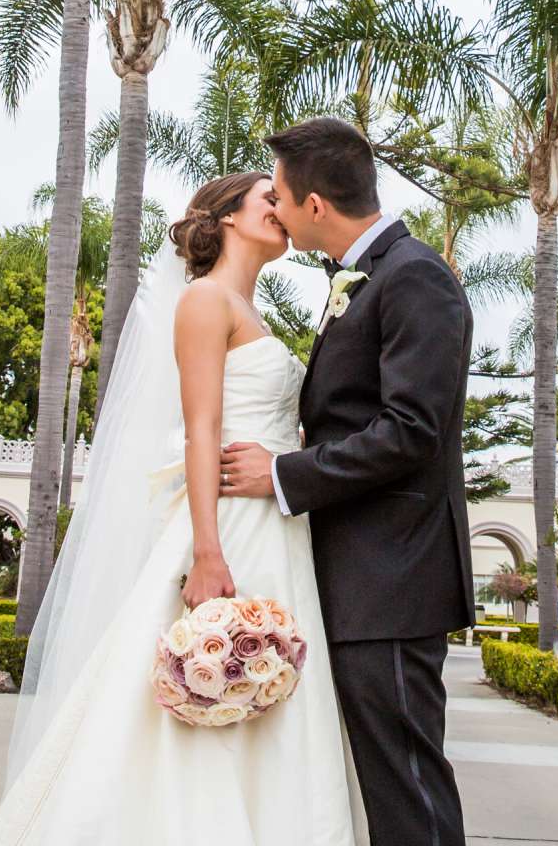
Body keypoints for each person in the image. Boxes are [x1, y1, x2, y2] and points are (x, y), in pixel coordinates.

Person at [0, 169, 367, 845]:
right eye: (266, 200)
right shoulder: (204, 302)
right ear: (224, 220)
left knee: (277, 694)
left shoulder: (253, 312)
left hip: (278, 524)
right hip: (229, 527)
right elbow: (201, 430)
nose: (280, 210)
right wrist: (208, 553)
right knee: (197, 694)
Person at [220, 116, 476, 846]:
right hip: (360, 573)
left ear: (315, 207)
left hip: (393, 578)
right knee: (386, 783)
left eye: (280, 194)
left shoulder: (414, 276)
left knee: (407, 785)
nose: (274, 205)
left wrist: (282, 473)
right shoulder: (366, 280)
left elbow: (411, 431)